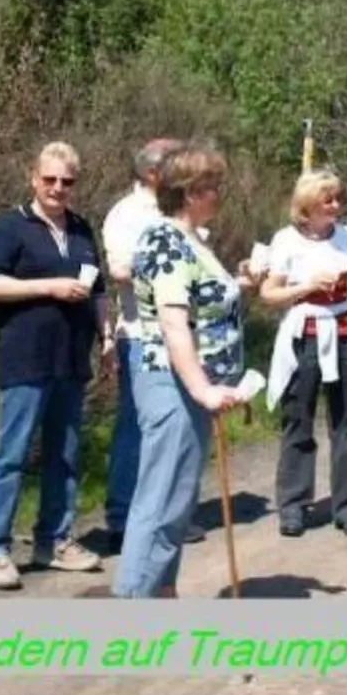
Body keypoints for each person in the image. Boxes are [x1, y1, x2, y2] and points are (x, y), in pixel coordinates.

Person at [113, 142, 264, 598]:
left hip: (188, 385)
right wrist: (202, 389)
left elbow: (202, 303)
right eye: (213, 185)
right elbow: (173, 323)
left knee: (177, 498)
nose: (219, 193)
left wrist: (240, 284)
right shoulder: (166, 241)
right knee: (160, 499)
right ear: (191, 191)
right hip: (171, 384)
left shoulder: (193, 240)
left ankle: (162, 593)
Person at [0, 142, 107, 590]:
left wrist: (107, 335)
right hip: (25, 358)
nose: (57, 188)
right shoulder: (10, 226)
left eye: (66, 181)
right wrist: (50, 287)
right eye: (49, 179)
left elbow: (98, 290)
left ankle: (54, 539)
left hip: (71, 357)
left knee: (65, 455)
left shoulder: (83, 229)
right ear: (33, 178)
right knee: (11, 455)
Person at [99, 138, 206, 555]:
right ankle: (122, 517)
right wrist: (172, 268)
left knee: (178, 427)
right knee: (137, 429)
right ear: (152, 172)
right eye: (178, 165)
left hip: (184, 335)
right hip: (143, 337)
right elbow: (119, 269)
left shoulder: (178, 209)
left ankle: (169, 513)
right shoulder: (126, 214)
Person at [261, 170, 347, 538]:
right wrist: (307, 286)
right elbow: (269, 293)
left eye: (338, 199)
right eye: (328, 200)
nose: (336, 206)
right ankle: (294, 504)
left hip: (343, 332)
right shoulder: (286, 241)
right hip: (304, 335)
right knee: (298, 420)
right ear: (308, 205)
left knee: (345, 422)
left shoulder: (345, 236)